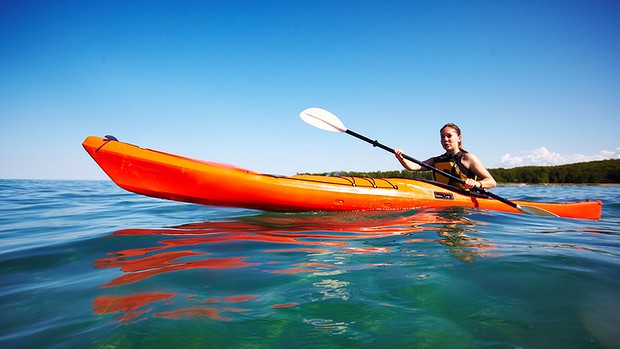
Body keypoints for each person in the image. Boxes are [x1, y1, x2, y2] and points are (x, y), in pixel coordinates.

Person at [394, 123, 496, 190]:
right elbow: (413, 167)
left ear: (459, 138)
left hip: (467, 208)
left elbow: (491, 182)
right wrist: (401, 158)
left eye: (449, 136)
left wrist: (477, 184)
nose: (445, 139)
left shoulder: (468, 158)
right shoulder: (437, 160)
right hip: (443, 200)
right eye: (442, 137)